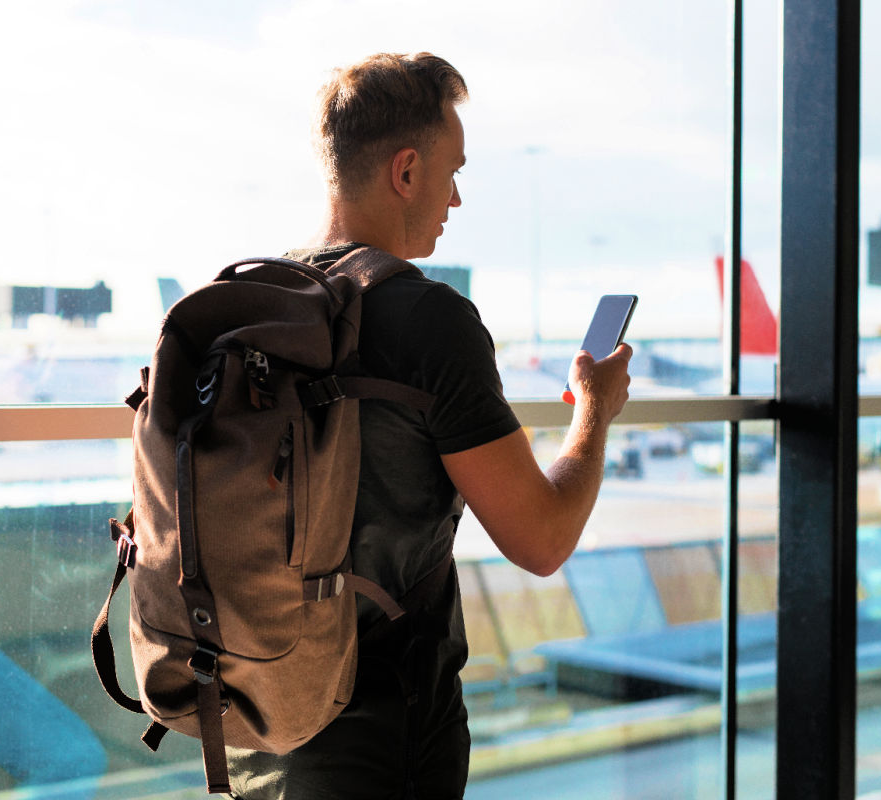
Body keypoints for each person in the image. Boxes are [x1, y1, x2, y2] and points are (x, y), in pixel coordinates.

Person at [226, 51, 632, 800]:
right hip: (385, 740)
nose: (456, 198)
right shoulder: (430, 320)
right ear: (406, 171)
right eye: (453, 172)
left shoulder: (249, 306)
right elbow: (541, 540)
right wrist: (595, 413)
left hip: (249, 726)